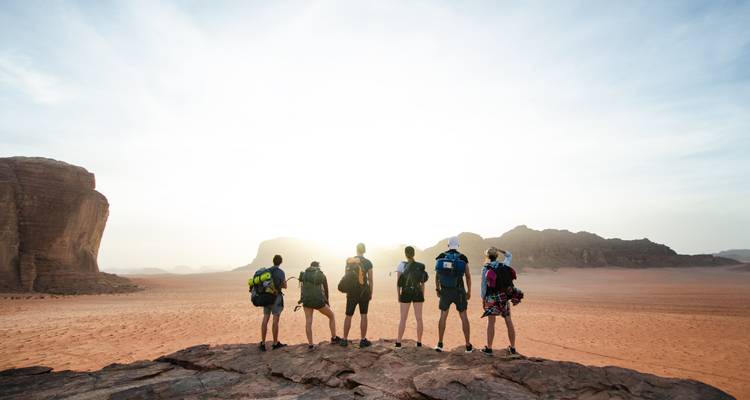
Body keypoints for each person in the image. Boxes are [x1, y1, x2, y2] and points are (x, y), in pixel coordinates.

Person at [434, 236, 473, 353]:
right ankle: (467, 345)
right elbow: (468, 275)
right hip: (459, 291)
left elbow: (437, 275)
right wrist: (469, 291)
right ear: (458, 246)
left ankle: (440, 344)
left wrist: (437, 289)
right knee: (464, 317)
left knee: (443, 316)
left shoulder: (441, 256)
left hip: (445, 291)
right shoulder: (462, 257)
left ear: (448, 245)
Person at [480, 247, 517, 355]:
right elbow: (509, 255)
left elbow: (483, 286)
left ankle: (489, 348)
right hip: (503, 297)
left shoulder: (485, 268)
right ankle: (513, 348)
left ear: (487, 257)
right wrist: (499, 250)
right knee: (508, 321)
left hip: (491, 298)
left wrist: (483, 299)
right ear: (497, 256)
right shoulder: (504, 265)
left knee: (491, 322)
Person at [299, 261, 343, 349]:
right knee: (331, 316)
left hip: (307, 301)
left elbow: (302, 289)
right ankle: (334, 338)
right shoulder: (320, 275)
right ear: (318, 267)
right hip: (318, 301)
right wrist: (327, 302)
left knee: (308, 321)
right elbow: (326, 290)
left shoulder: (304, 275)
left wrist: (302, 299)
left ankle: (310, 344)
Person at [395, 246, 427, 348]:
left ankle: (398, 342)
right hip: (417, 293)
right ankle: (419, 342)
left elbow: (398, 283)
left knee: (403, 319)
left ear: (405, 254)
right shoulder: (420, 266)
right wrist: (422, 295)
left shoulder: (401, 265)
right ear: (414, 254)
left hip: (405, 293)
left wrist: (399, 296)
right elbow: (422, 283)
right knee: (419, 319)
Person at [342, 243, 374, 348]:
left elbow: (346, 277)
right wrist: (371, 293)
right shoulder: (368, 262)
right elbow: (370, 279)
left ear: (356, 250)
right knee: (363, 315)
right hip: (364, 292)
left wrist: (348, 292)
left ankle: (344, 339)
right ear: (364, 251)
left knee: (348, 315)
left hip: (351, 292)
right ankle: (363, 340)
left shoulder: (350, 261)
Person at [260, 254, 287, 351]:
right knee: (275, 321)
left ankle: (263, 343)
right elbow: (285, 286)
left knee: (265, 319)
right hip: (276, 298)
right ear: (281, 262)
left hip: (266, 297)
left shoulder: (266, 271)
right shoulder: (281, 272)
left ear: (273, 261)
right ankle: (275, 343)